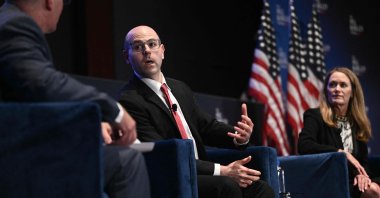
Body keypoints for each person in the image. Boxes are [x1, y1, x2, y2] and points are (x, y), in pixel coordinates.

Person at [0, 0, 150, 197]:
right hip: (15, 161)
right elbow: (44, 84)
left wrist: (86, 124)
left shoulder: (8, 20)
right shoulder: (14, 24)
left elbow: (25, 100)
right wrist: (115, 111)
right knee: (126, 160)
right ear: (50, 2)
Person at [118, 25, 275, 198]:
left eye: (152, 44)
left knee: (260, 188)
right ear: (127, 56)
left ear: (162, 51)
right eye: (138, 47)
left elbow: (206, 127)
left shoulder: (179, 88)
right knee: (226, 186)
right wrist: (222, 170)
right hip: (172, 176)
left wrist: (239, 136)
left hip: (200, 172)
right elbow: (163, 153)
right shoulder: (130, 100)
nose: (147, 51)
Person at [298, 67, 380, 198]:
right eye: (332, 85)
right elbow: (304, 145)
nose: (337, 89)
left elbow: (362, 162)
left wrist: (361, 175)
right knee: (373, 191)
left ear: (352, 92)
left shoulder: (357, 122)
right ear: (326, 90)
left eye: (343, 85)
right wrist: (340, 152)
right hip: (327, 179)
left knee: (374, 188)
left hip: (352, 179)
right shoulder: (315, 115)